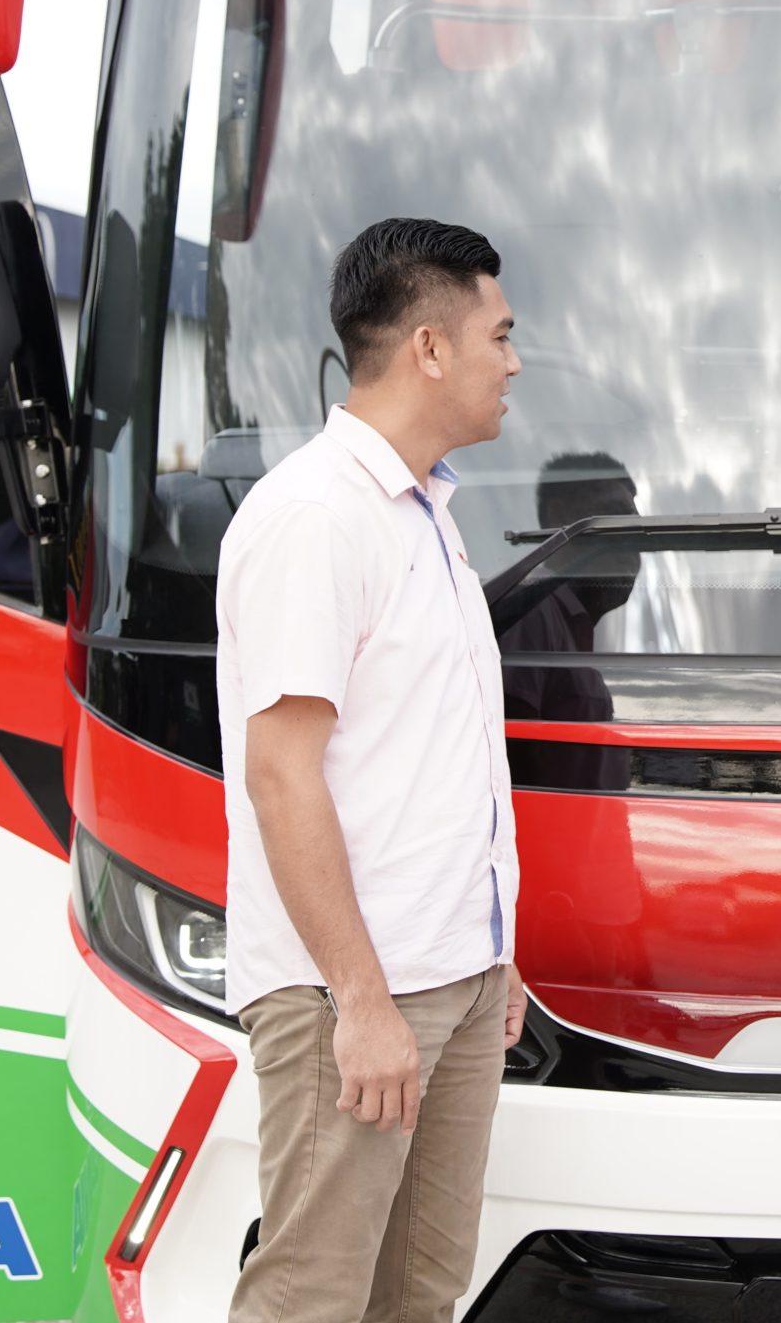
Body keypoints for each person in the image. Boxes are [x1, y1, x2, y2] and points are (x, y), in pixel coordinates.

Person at [215, 217, 526, 1323]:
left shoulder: (426, 514)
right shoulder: (314, 516)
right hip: (353, 991)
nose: (514, 362)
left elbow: (432, 758)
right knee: (313, 1296)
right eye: (500, 334)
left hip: (455, 974)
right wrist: (361, 998)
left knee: (418, 1296)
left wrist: (494, 951)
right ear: (429, 348)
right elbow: (281, 774)